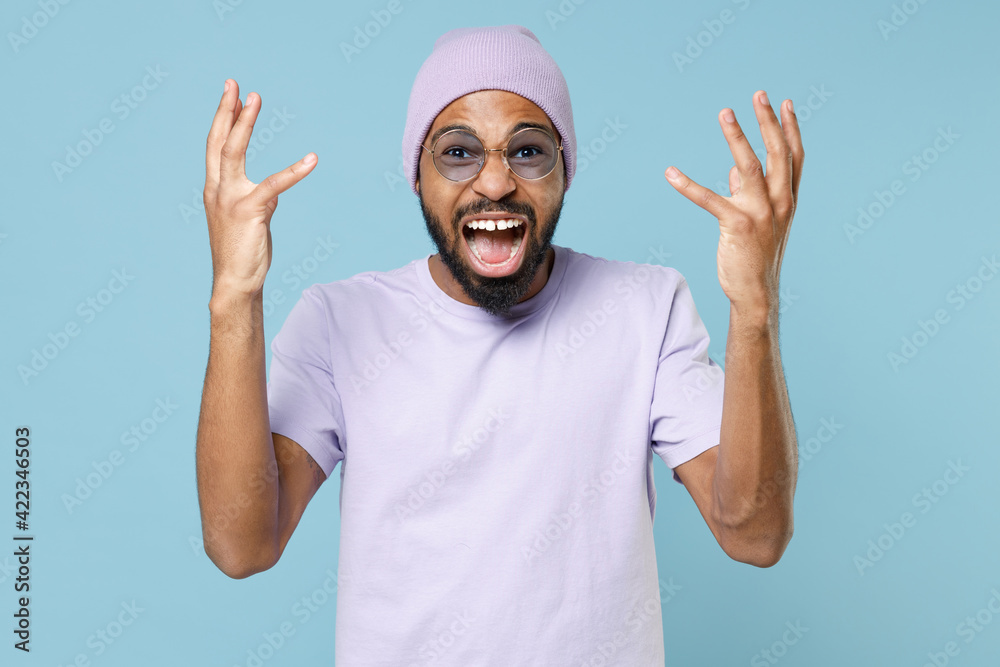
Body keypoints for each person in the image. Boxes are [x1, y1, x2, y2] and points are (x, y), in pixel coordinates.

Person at [195, 24, 802, 665]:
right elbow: (242, 545)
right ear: (416, 175)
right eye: (458, 152)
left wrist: (755, 306)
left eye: (527, 151)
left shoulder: (646, 311)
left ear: (564, 170)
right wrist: (233, 296)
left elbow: (755, 534)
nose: (493, 183)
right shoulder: (339, 322)